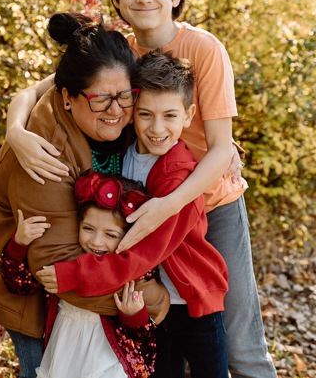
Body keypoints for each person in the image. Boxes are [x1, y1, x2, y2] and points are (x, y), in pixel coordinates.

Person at [5, 0, 277, 378]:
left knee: (236, 339)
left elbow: (222, 148)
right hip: (143, 204)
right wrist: (15, 132)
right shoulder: (121, 54)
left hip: (210, 204)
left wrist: (166, 207)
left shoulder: (204, 49)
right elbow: (36, 91)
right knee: (160, 329)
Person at [0, 12, 170, 378]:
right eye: (100, 101)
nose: (116, 111)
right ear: (67, 98)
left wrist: (221, 150)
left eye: (125, 96)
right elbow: (54, 265)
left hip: (95, 283)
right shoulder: (44, 151)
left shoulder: (117, 97)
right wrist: (152, 300)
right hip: (33, 294)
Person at [37, 50, 230, 378]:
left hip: (193, 302)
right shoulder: (120, 151)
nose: (157, 128)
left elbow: (143, 252)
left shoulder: (179, 174)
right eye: (145, 115)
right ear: (132, 111)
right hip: (149, 304)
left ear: (188, 115)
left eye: (170, 116)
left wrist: (77, 274)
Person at [0, 172, 159, 378]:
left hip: (108, 361)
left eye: (110, 235)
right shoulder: (67, 261)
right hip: (63, 355)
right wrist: (19, 244)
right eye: (88, 229)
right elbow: (20, 285)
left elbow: (145, 351)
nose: (96, 242)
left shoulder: (131, 274)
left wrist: (135, 317)